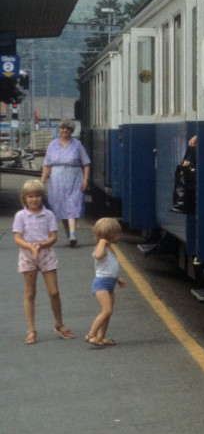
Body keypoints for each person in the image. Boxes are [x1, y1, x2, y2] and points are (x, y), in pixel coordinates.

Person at [13, 179, 75, 344]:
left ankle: (59, 324)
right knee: (30, 293)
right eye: (30, 196)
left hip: (46, 254)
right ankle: (31, 330)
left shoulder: (49, 215)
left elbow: (53, 237)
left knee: (54, 292)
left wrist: (40, 245)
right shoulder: (21, 216)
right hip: (27, 256)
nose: (34, 199)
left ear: (42, 197)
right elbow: (17, 238)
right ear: (24, 198)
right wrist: (30, 247)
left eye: (38, 196)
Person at [41, 118, 91, 247]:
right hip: (57, 180)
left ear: (71, 131)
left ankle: (73, 233)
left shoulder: (77, 144)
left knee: (73, 204)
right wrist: (41, 182)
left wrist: (85, 179)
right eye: (63, 128)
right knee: (61, 207)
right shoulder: (52, 145)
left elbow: (86, 163)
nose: (65, 130)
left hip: (74, 178)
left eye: (68, 129)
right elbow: (47, 165)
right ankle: (69, 235)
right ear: (59, 130)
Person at [86, 217, 126, 348]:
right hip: (101, 284)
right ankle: (91, 334)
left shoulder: (110, 248)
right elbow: (97, 256)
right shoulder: (101, 248)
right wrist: (102, 243)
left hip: (110, 284)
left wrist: (117, 278)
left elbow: (110, 266)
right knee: (106, 311)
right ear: (108, 235)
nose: (119, 236)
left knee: (109, 312)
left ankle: (101, 336)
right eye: (117, 233)